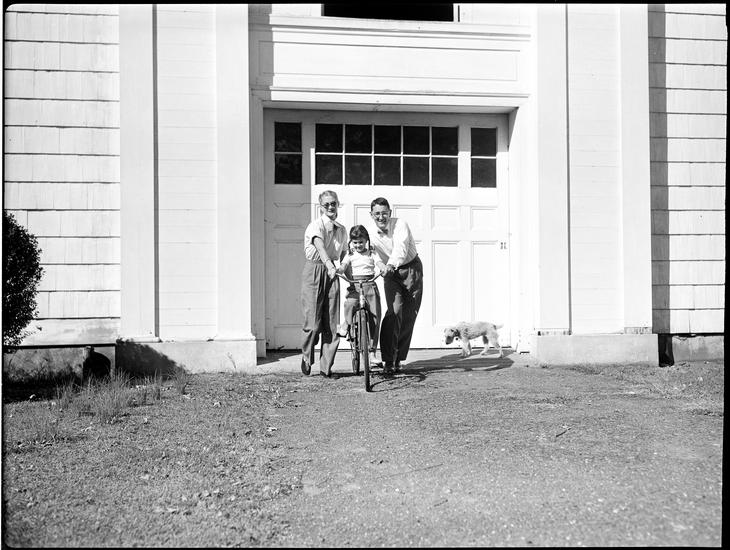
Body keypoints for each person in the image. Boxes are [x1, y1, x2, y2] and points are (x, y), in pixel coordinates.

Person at [366, 197, 423, 374]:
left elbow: (401, 248)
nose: (381, 217)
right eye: (377, 214)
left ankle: (398, 358)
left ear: (390, 213)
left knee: (409, 314)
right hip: (389, 273)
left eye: (384, 213)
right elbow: (371, 252)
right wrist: (381, 265)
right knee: (394, 311)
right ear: (371, 215)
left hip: (410, 268)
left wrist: (391, 264)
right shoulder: (370, 232)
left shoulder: (400, 225)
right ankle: (388, 360)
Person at [300, 190, 347, 377]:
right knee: (313, 322)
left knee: (331, 323)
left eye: (333, 203)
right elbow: (319, 247)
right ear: (320, 207)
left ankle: (326, 367)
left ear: (337, 204)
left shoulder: (342, 230)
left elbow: (345, 253)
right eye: (326, 204)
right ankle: (307, 356)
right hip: (315, 270)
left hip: (332, 272)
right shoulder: (316, 225)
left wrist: (345, 267)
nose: (330, 207)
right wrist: (328, 265)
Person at [335, 225, 382, 367]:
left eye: (361, 242)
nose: (358, 245)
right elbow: (344, 265)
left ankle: (372, 353)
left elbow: (379, 262)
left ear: (366, 240)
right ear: (351, 242)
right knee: (350, 304)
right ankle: (346, 324)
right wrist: (339, 270)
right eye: (355, 242)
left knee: (375, 317)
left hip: (370, 285)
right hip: (355, 285)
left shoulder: (372, 253)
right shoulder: (350, 254)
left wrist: (383, 267)